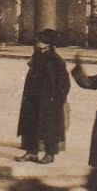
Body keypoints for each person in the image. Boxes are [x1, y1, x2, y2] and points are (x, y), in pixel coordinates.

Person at [16, 28, 71, 164]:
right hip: (33, 98)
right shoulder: (36, 57)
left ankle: (50, 154)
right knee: (30, 125)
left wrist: (58, 99)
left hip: (49, 101)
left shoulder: (56, 61)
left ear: (49, 45)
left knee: (49, 128)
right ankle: (31, 152)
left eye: (40, 42)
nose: (37, 44)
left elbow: (65, 83)